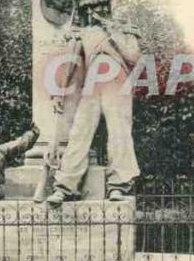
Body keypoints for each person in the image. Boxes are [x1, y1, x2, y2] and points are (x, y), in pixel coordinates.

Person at [46, 15, 141, 205]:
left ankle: (118, 186)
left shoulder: (126, 29)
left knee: (119, 133)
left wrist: (114, 32)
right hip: (93, 82)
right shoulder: (85, 32)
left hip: (117, 79)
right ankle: (65, 186)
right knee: (80, 131)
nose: (97, 10)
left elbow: (134, 58)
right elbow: (70, 63)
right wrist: (59, 91)